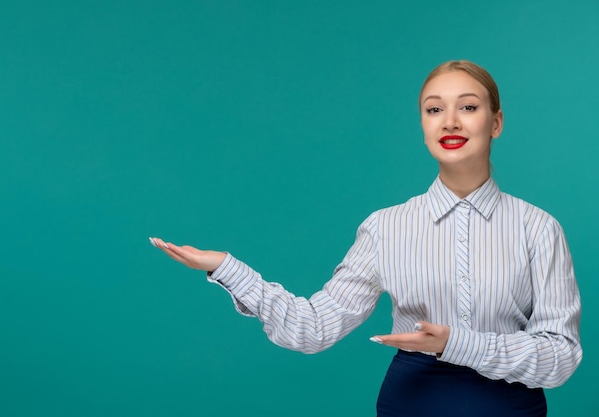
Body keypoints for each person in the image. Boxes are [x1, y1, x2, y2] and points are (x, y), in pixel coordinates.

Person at [149, 60, 582, 417]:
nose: (449, 121)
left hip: (508, 406)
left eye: (467, 107)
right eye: (434, 110)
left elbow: (560, 358)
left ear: (497, 122)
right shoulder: (385, 227)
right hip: (412, 403)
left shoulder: (538, 228)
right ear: (422, 124)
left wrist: (455, 343)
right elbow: (313, 328)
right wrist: (227, 268)